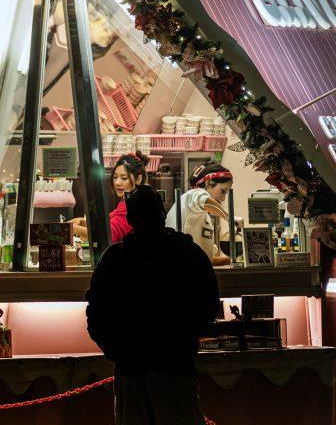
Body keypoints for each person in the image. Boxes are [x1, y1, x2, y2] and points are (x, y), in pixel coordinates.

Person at [87, 184, 219, 425]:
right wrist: (185, 341)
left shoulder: (114, 258)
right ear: (162, 213)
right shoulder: (188, 254)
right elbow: (208, 307)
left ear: (130, 218)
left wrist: (117, 351)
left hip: (131, 368)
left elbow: (96, 314)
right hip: (175, 366)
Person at [166, 162, 234, 266]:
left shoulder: (204, 218)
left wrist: (231, 260)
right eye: (223, 191)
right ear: (208, 183)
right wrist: (229, 218)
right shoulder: (193, 194)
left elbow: (208, 259)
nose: (223, 198)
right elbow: (204, 200)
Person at [71, 153, 147, 243]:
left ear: (138, 179)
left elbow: (108, 234)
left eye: (124, 178)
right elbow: (108, 221)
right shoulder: (127, 201)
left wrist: (72, 229)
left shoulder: (134, 205)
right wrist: (84, 222)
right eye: (115, 177)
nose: (117, 182)